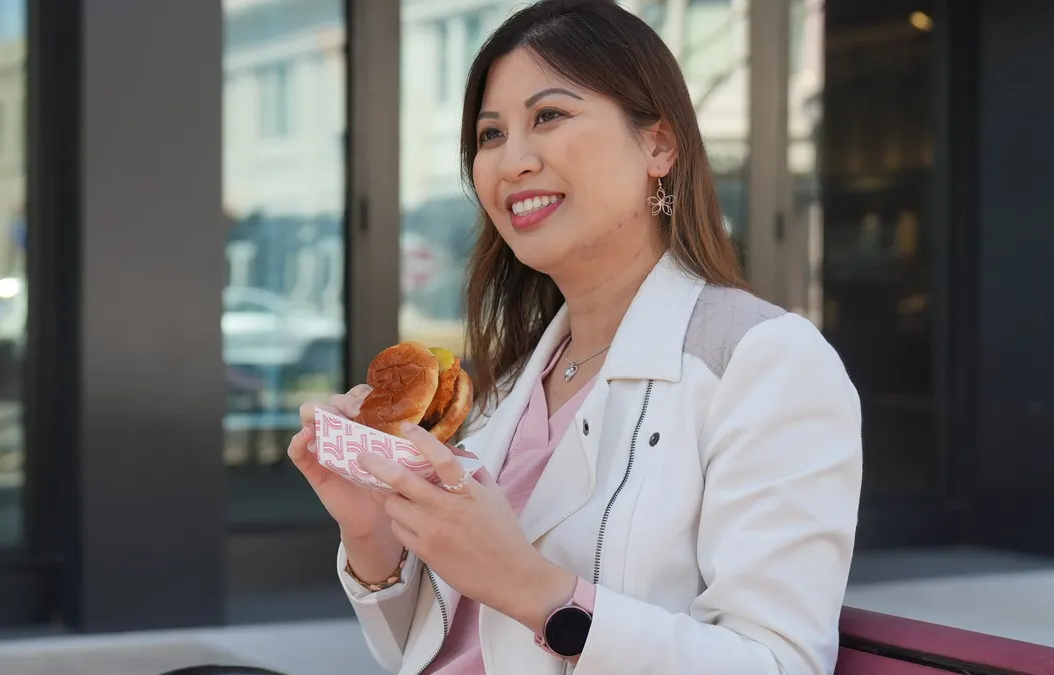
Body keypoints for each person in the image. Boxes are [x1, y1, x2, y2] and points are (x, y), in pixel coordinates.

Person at [289, 1, 862, 673]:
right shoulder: (510, 384)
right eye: (491, 134)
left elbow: (778, 664)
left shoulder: (766, 363)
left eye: (549, 116)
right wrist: (370, 532)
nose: (513, 161)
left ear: (659, 144)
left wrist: (534, 590)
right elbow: (433, 651)